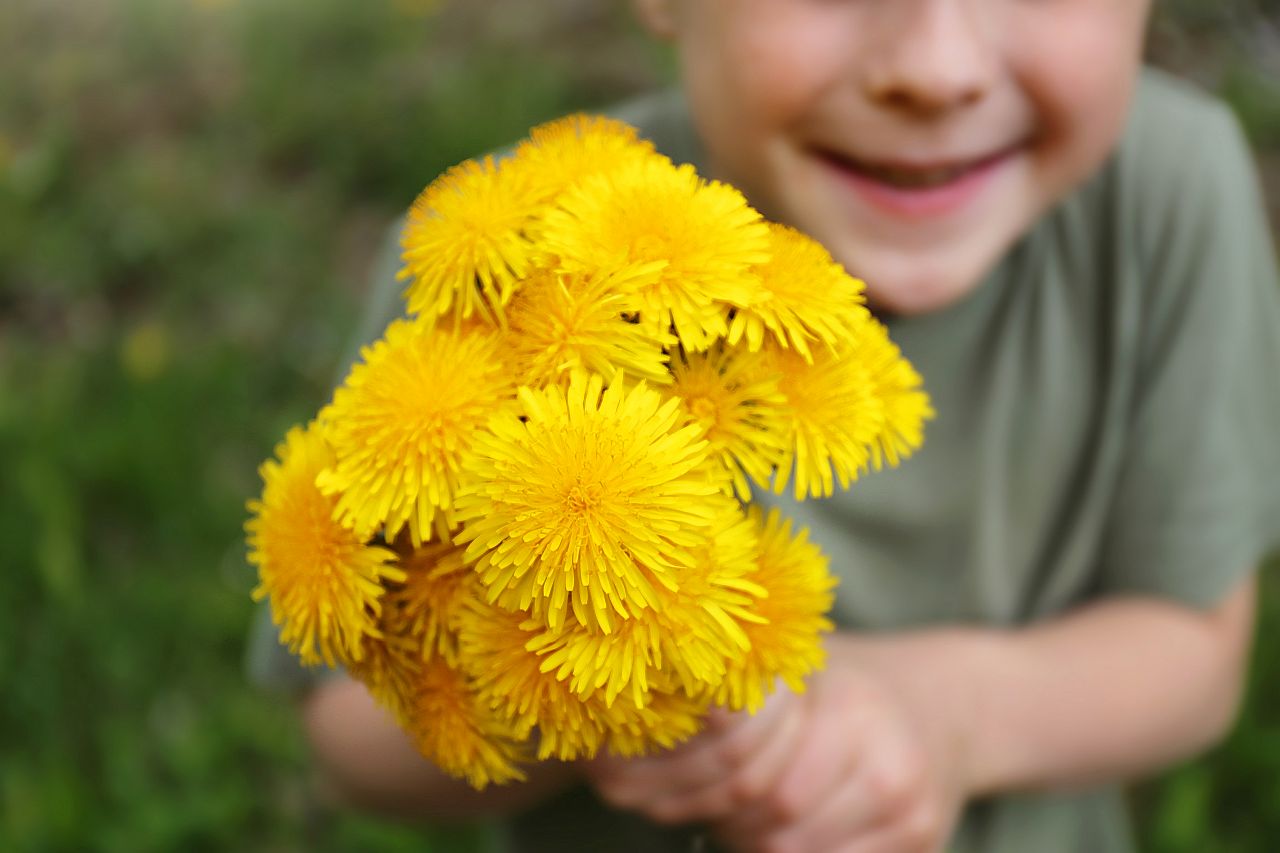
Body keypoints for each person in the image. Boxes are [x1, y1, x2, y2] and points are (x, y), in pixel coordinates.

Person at [248, 0, 1280, 850]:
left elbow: (1193, 651)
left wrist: (950, 713)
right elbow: (345, 730)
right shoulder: (490, 271)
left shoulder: (1166, 196)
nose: (936, 64)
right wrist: (588, 704)